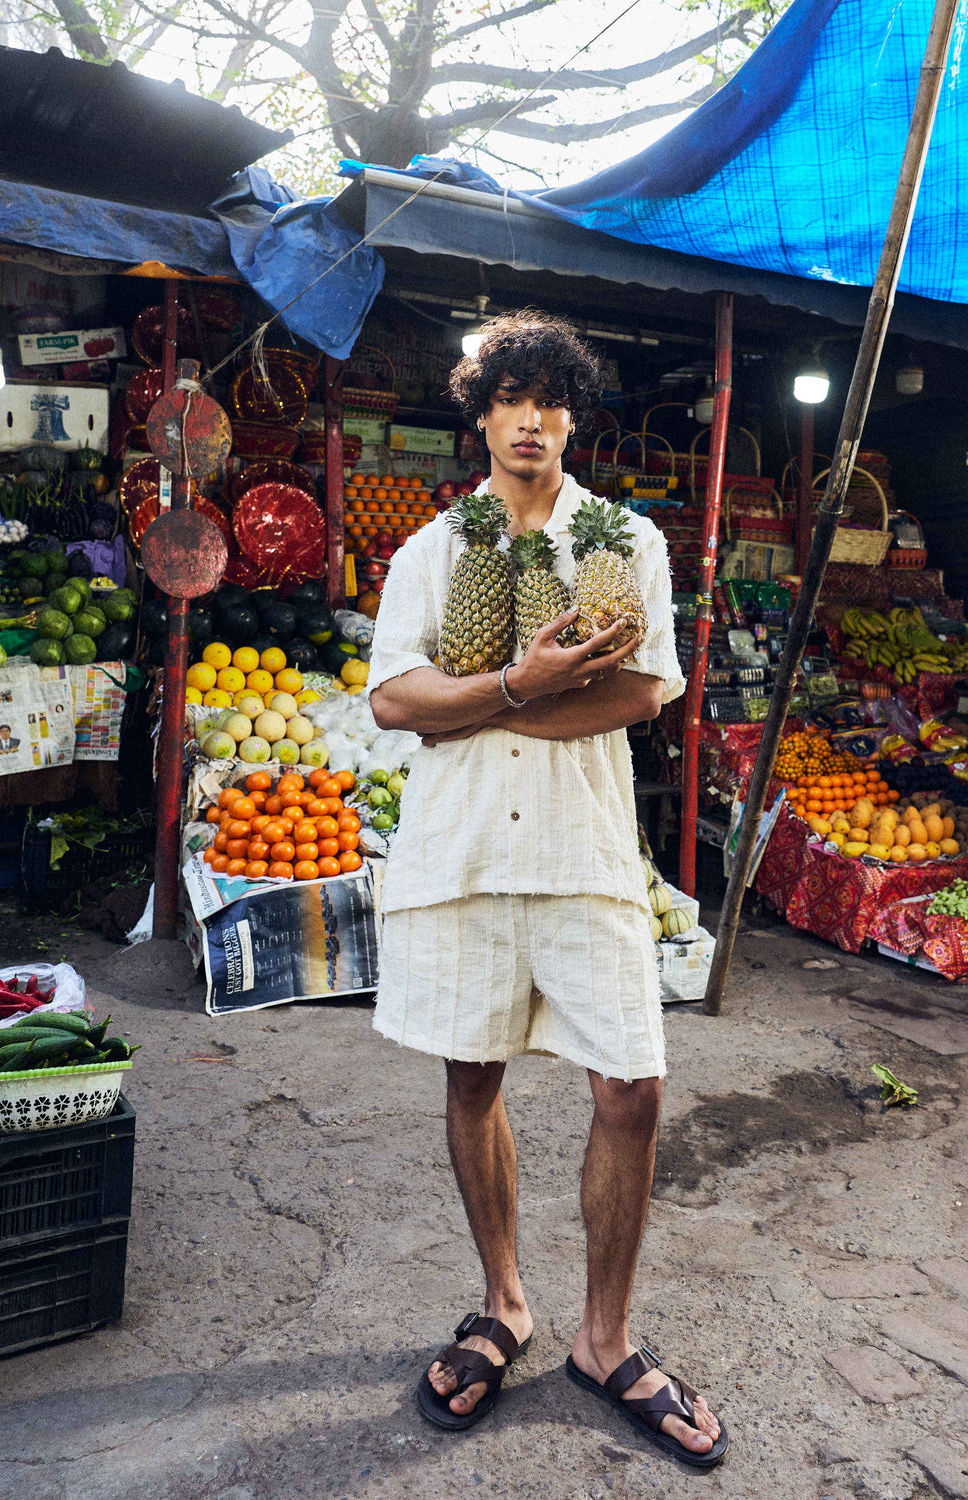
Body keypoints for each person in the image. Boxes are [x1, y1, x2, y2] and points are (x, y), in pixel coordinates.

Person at [367, 311, 727, 1470]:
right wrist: (517, 680)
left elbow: (643, 690)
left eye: (550, 401)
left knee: (631, 1086)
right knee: (473, 1077)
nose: (530, 421)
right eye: (508, 399)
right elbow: (392, 699)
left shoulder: (623, 541)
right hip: (463, 847)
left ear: (572, 416)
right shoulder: (431, 553)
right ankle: (505, 1303)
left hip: (581, 850)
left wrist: (501, 697)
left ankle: (604, 1338)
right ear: (479, 416)